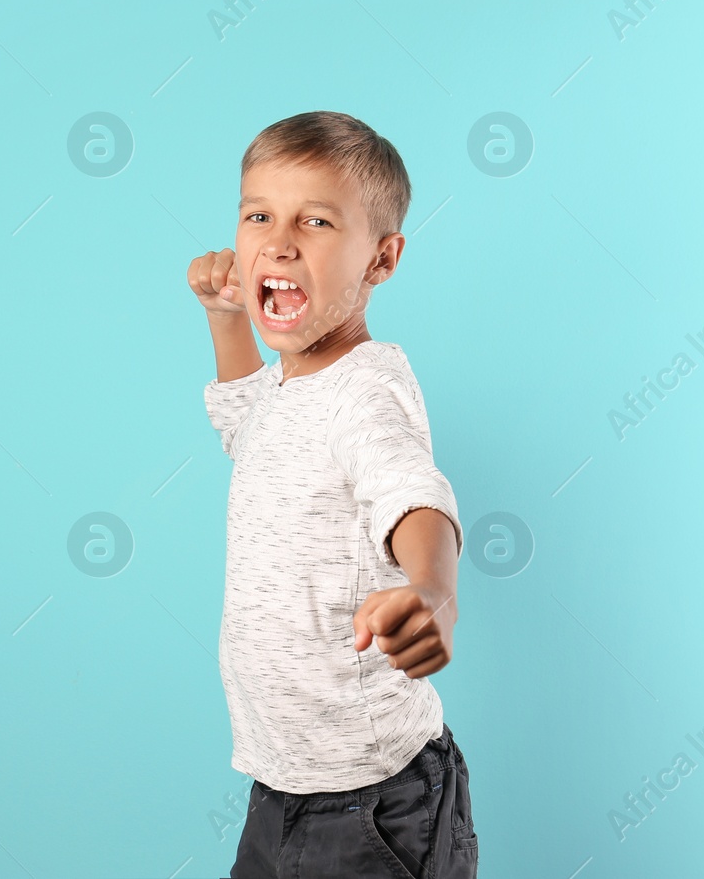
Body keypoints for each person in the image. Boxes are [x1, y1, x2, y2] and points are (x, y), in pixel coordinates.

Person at [186, 110, 479, 878]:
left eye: (314, 221)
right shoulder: (288, 388)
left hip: (373, 800)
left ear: (381, 259)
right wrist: (226, 318)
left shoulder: (365, 390)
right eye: (258, 215)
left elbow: (414, 496)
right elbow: (244, 422)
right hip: (281, 782)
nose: (278, 241)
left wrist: (433, 595)